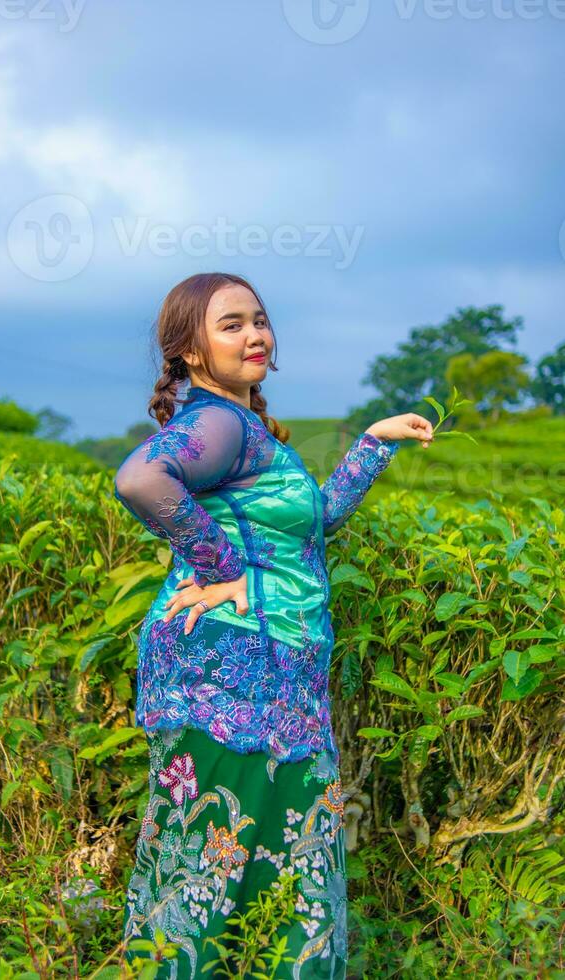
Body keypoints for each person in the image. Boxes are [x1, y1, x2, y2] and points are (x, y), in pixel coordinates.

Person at [113, 272, 434, 978]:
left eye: (259, 319)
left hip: (276, 672)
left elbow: (309, 530)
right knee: (214, 873)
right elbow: (141, 479)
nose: (255, 334)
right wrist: (217, 562)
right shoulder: (219, 422)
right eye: (231, 324)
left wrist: (374, 443)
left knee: (265, 867)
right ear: (191, 353)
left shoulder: (243, 427)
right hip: (233, 673)